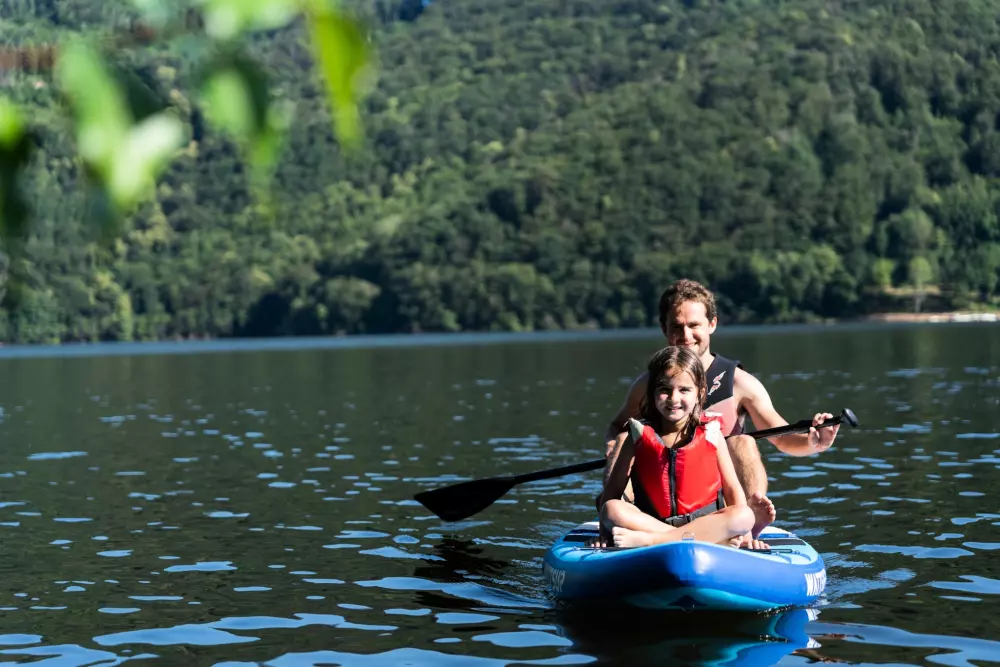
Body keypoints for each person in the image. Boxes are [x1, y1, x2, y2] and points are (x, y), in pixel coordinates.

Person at [600, 279, 841, 538]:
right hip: (655, 504)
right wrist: (615, 447)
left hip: (717, 505)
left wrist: (814, 443)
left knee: (742, 442)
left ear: (712, 324)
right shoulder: (649, 385)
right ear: (664, 328)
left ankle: (746, 530)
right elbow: (616, 427)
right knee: (625, 439)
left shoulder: (740, 383)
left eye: (694, 325)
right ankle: (619, 522)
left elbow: (781, 437)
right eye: (677, 327)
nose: (685, 336)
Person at [599, 345, 755, 549]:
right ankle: (709, 539)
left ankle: (652, 541)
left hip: (701, 523)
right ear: (652, 393)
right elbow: (612, 493)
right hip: (653, 522)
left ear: (699, 393)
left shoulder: (711, 433)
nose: (674, 398)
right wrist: (603, 534)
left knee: (744, 515)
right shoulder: (636, 436)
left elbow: (732, 489)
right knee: (612, 509)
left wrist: (747, 536)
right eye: (665, 389)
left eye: (684, 390)